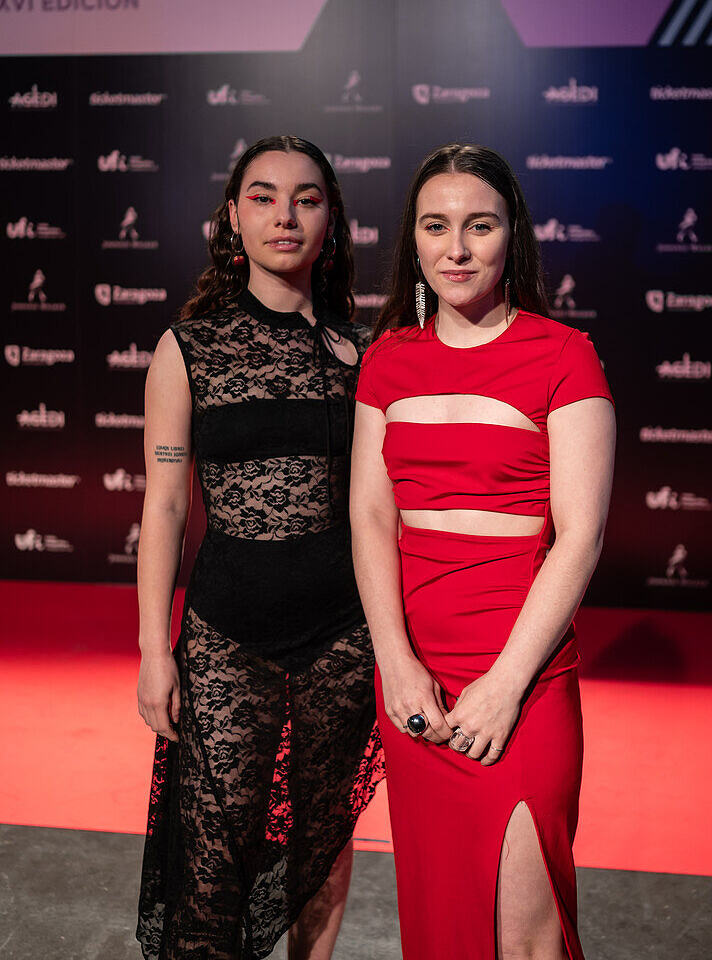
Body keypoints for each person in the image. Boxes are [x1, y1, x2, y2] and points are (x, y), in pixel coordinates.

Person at [350, 144, 615, 959]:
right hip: (416, 678)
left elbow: (580, 538)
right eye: (436, 226)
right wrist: (393, 660)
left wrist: (504, 685)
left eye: (480, 225)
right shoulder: (388, 360)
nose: (457, 248)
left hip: (524, 678)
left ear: (512, 237)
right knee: (442, 921)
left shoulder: (564, 357)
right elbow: (369, 518)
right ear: (414, 241)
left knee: (524, 929)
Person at [136, 135, 384, 960]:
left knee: (321, 844)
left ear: (332, 221)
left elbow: (382, 513)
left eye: (307, 198)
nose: (286, 214)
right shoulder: (188, 349)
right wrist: (152, 651)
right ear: (232, 219)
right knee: (211, 862)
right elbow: (166, 506)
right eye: (264, 196)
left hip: (342, 637)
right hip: (225, 631)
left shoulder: (363, 356)